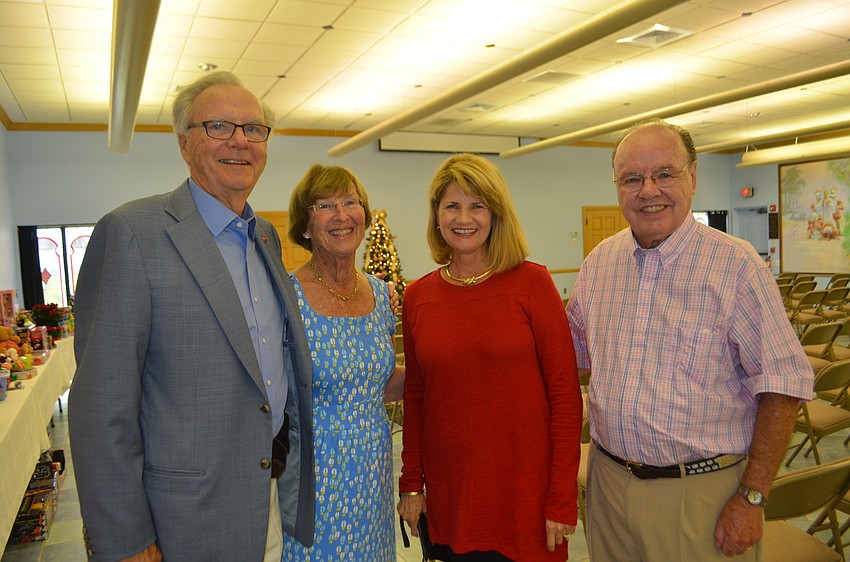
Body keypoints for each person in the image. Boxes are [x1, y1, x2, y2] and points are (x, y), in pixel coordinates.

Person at [68, 71, 315, 562]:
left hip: (265, 494)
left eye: (254, 129)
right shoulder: (132, 235)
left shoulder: (265, 236)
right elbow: (101, 408)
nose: (240, 141)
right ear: (184, 144)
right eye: (219, 126)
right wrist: (126, 538)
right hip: (180, 516)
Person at [566, 118, 814, 561]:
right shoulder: (600, 263)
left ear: (693, 177)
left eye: (665, 173)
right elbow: (570, 357)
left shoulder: (736, 267)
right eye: (632, 178)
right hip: (607, 487)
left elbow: (783, 384)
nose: (648, 190)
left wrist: (753, 497)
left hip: (701, 495)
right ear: (617, 187)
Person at [397, 153, 583, 562]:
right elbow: (416, 395)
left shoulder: (533, 283)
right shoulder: (419, 297)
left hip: (526, 498)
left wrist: (561, 499)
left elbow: (566, 399)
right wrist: (411, 484)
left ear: (496, 214)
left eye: (477, 205)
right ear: (437, 216)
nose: (465, 217)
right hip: (453, 496)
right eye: (452, 205)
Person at [280, 164, 404, 560]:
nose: (342, 215)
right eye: (325, 205)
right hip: (312, 479)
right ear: (305, 225)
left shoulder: (382, 295)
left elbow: (376, 382)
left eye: (350, 202)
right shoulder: (286, 297)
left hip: (373, 471)